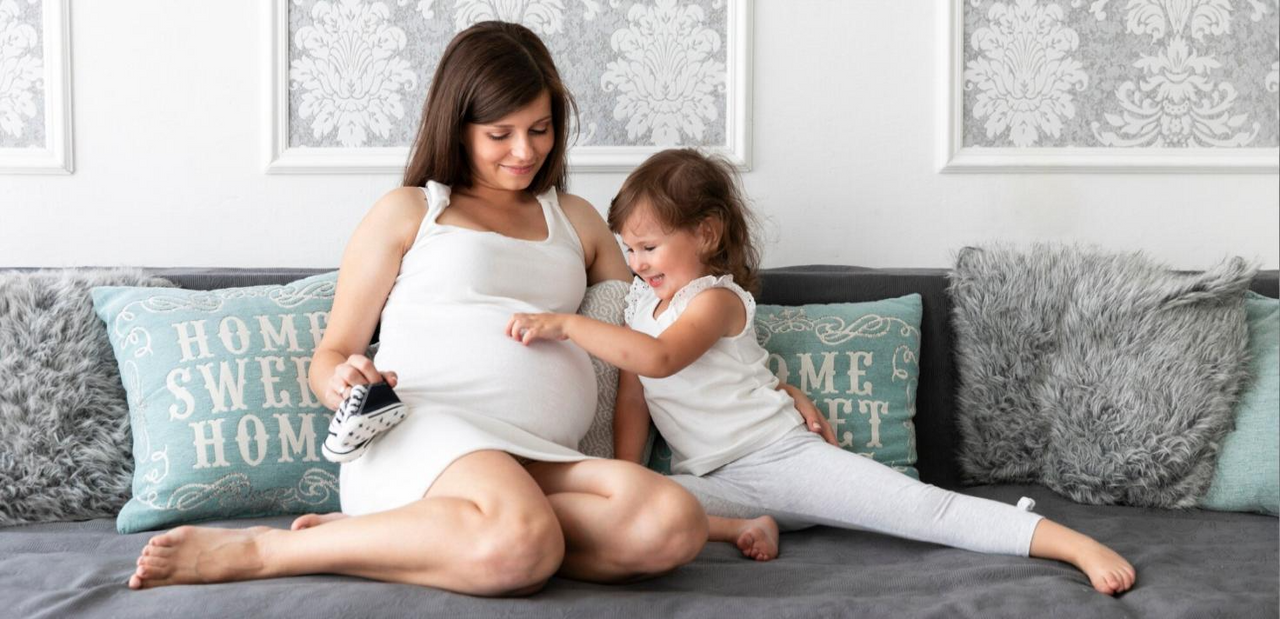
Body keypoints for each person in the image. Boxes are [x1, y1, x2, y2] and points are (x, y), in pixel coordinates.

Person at [127, 22, 714, 596]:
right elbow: (331, 354)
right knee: (523, 538)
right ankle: (267, 551)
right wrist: (344, 381)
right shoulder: (411, 211)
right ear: (458, 127)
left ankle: (412, 536)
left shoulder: (578, 219)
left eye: (540, 130)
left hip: (538, 457)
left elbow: (652, 326)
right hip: (421, 437)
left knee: (671, 521)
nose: (525, 151)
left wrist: (761, 388)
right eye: (500, 134)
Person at [506, 148, 1139, 595]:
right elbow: (637, 397)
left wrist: (566, 325)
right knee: (619, 512)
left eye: (648, 248)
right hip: (716, 483)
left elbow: (661, 359)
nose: (637, 263)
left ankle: (1070, 544)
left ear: (705, 233)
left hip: (784, 461)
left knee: (922, 511)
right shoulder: (643, 305)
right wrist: (626, 474)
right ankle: (739, 530)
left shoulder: (717, 300)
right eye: (628, 250)